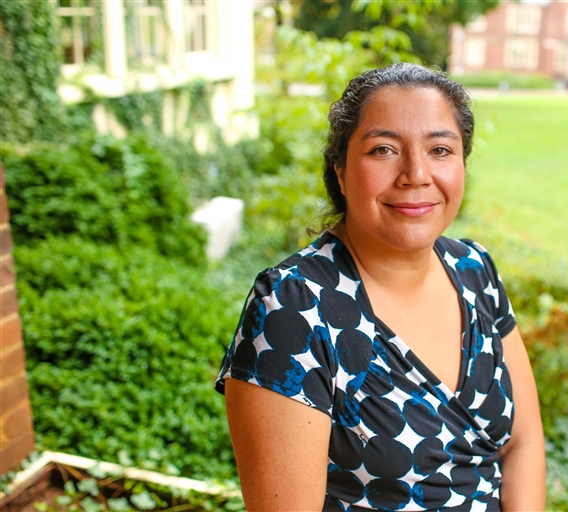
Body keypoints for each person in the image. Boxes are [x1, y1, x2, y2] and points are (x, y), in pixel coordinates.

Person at [215, 63, 546, 511]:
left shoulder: (475, 270)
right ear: (340, 171)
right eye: (384, 150)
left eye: (440, 150)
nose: (416, 174)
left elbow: (521, 442)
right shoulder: (292, 309)